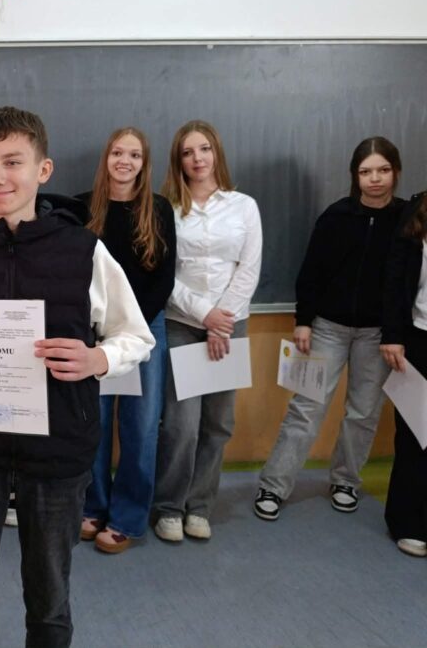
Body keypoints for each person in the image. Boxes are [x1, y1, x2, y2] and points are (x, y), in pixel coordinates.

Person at [0, 106, 154, 648]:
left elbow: (136, 336)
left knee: (49, 607)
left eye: (12, 162)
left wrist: (98, 360)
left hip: (57, 454)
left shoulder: (84, 252)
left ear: (43, 170)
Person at [254, 137, 405, 520]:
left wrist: (394, 334)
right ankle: (273, 486)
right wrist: (303, 321)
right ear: (355, 176)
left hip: (378, 336)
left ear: (396, 173)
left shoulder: (407, 221)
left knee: (363, 412)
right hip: (326, 329)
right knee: (306, 408)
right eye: (366, 171)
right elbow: (311, 273)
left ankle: (345, 481)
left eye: (383, 170)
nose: (375, 179)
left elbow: (405, 284)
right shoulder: (336, 216)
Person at [153, 120, 262, 543]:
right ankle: (169, 507)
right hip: (183, 323)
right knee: (181, 425)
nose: (197, 158)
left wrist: (223, 320)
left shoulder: (243, 206)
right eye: (187, 152)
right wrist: (206, 315)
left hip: (231, 326)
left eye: (204, 149)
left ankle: (199, 507)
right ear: (178, 160)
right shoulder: (166, 208)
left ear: (216, 153)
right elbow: (164, 272)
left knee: (219, 423)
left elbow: (248, 268)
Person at [77, 127, 176, 554]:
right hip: (94, 333)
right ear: (107, 158)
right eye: (118, 152)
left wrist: (132, 328)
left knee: (141, 427)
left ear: (144, 163)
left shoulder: (159, 208)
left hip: (144, 331)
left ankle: (128, 518)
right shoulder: (82, 207)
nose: (124, 161)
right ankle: (93, 506)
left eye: (134, 155)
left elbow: (164, 278)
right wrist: (99, 328)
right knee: (93, 425)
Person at [380, 190, 427, 557]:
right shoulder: (416, 213)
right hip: (418, 339)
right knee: (415, 434)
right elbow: (394, 281)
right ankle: (409, 523)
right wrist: (393, 335)